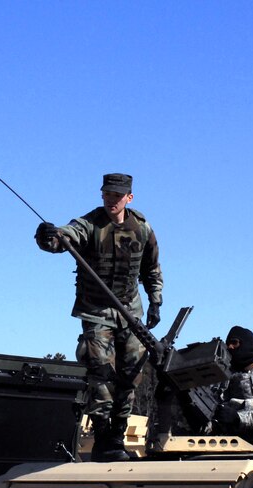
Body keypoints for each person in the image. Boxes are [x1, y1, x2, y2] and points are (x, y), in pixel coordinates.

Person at [35, 173, 163, 461]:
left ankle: (118, 434)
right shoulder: (90, 223)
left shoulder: (141, 228)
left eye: (117, 196)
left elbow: (152, 268)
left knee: (131, 374)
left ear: (129, 198)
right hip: (96, 310)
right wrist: (48, 238)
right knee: (100, 372)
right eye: (107, 194)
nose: (111, 200)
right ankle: (104, 436)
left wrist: (155, 302)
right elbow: (65, 237)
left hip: (130, 310)